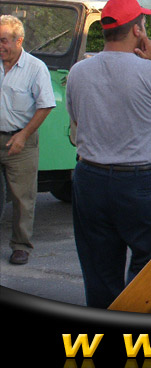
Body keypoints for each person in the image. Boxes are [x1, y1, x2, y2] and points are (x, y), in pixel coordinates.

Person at [65, 0, 151, 308]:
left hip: (90, 177)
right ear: (138, 30)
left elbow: (77, 119)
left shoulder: (79, 71)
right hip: (138, 181)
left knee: (98, 270)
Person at [0, 15, 56, 266]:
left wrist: (23, 135)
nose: (0, 46)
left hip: (21, 140)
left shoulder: (35, 68)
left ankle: (21, 245)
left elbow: (46, 105)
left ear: (19, 40)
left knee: (23, 197)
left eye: (4, 40)